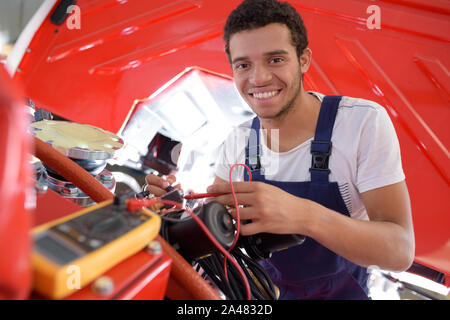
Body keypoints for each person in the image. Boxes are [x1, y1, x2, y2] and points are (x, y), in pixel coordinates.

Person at [145, 0, 415, 300]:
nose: (259, 78)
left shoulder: (360, 123)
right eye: (243, 65)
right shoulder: (238, 142)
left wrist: (304, 215)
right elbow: (222, 234)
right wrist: (179, 213)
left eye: (275, 59)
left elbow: (399, 250)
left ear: (303, 60)